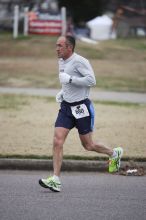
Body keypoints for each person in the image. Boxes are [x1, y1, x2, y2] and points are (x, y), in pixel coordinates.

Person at [39, 35, 123, 192]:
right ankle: (55, 179)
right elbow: (66, 82)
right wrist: (63, 92)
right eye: (56, 45)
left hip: (81, 108)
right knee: (57, 141)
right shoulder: (61, 61)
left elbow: (92, 81)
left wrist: (70, 80)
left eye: (59, 46)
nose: (56, 49)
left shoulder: (80, 61)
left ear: (69, 47)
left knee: (88, 145)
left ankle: (113, 153)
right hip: (66, 107)